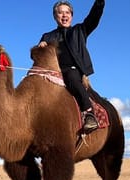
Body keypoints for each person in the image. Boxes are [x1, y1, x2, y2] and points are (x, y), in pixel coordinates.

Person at [39, 0, 105, 133]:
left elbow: (94, 17)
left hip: (72, 70)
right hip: (52, 71)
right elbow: (37, 56)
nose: (64, 15)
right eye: (60, 12)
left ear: (71, 16)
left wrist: (99, 2)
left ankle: (89, 114)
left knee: (72, 77)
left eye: (67, 12)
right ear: (55, 16)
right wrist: (41, 46)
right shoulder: (47, 36)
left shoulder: (79, 30)